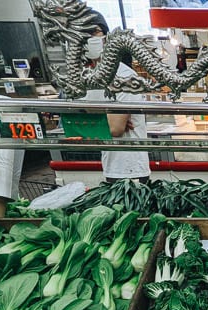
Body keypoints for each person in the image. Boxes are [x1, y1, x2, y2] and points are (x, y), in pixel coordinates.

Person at [83, 10, 150, 183]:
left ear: (106, 35)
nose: (90, 37)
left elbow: (115, 129)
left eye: (95, 31)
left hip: (131, 168)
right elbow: (80, 118)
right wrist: (105, 117)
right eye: (85, 33)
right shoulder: (90, 77)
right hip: (109, 164)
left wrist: (98, 119)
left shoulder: (124, 76)